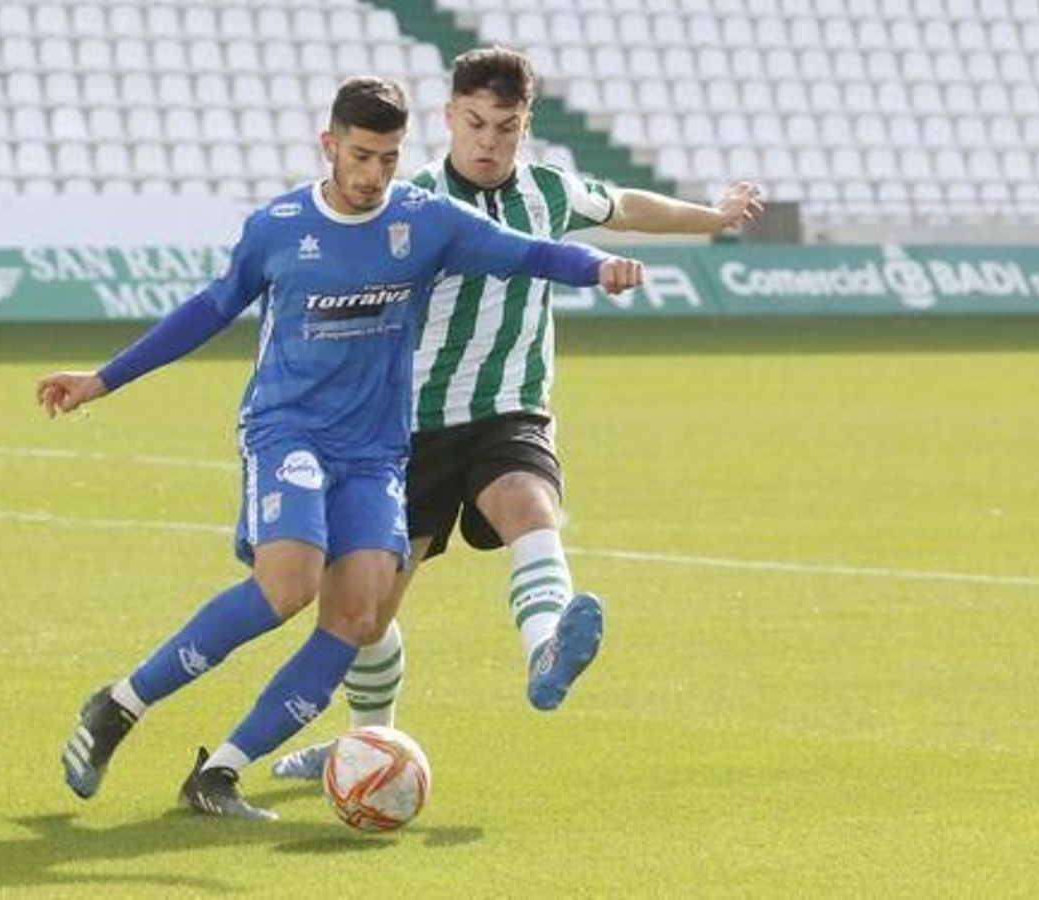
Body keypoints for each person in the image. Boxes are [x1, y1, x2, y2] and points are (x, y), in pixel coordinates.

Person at [39, 76, 644, 821]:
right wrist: (104, 378)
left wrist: (600, 268)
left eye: (388, 159)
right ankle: (120, 704)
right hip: (287, 431)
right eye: (360, 156)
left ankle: (217, 776)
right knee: (286, 586)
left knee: (356, 619)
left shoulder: (426, 222)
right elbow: (208, 308)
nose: (372, 176)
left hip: (375, 453)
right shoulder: (280, 225)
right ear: (330, 146)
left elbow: (526, 254)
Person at [272, 48, 765, 780]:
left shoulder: (548, 192)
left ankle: (545, 650)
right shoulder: (407, 206)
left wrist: (714, 217)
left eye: (505, 126)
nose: (489, 140)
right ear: (448, 118)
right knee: (367, 615)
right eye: (474, 122)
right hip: (409, 431)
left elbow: (625, 205)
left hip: (510, 413)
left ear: (524, 125)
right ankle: (364, 744)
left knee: (532, 509)